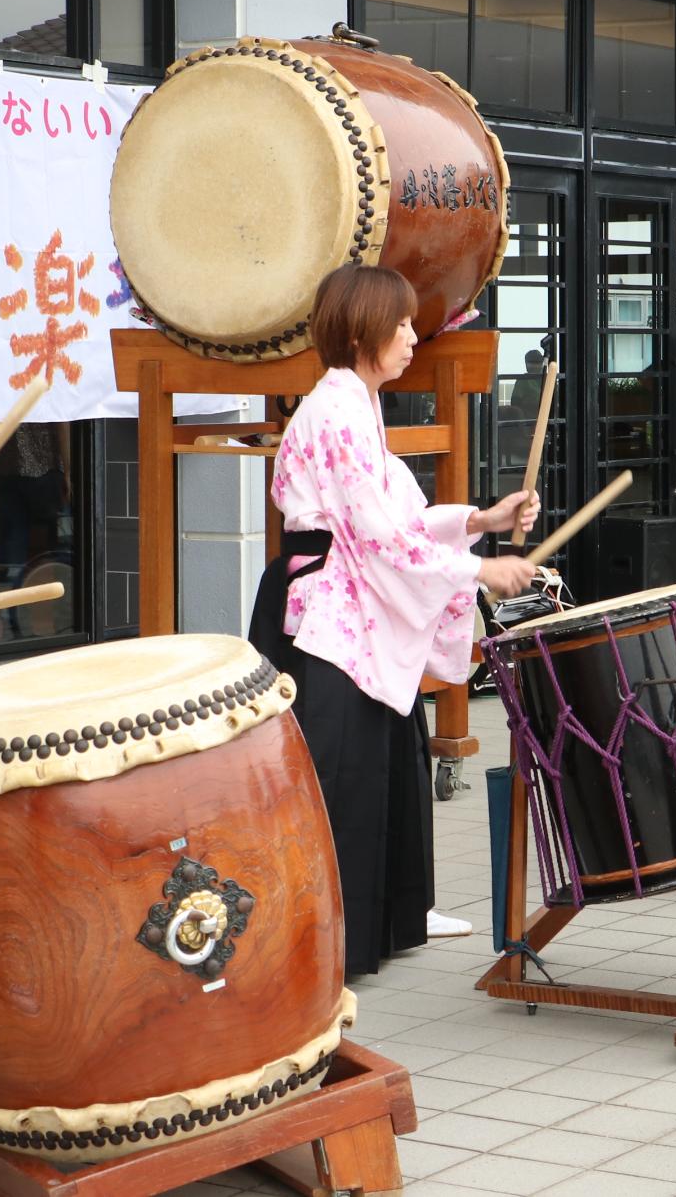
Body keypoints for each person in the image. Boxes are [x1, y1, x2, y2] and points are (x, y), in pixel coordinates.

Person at [247, 263, 539, 976]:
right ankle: (329, 934)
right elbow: (376, 533)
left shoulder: (360, 405)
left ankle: (392, 915)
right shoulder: (334, 409)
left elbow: (402, 513)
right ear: (359, 330)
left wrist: (481, 518)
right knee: (339, 772)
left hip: (356, 603)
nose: (413, 336)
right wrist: (478, 569)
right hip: (324, 615)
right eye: (400, 324)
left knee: (391, 757)